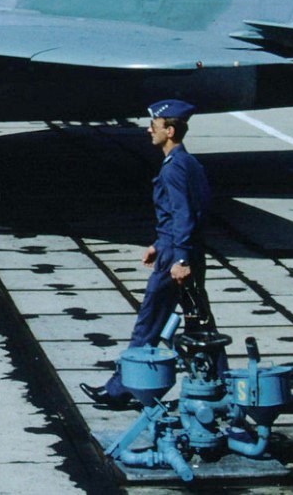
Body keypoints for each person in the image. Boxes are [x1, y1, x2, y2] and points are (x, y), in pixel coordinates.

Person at [81, 99, 216, 409]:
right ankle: (218, 384)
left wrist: (177, 256)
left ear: (169, 131)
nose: (148, 130)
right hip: (184, 251)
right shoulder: (189, 163)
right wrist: (161, 242)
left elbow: (184, 214)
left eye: (153, 127)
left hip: (177, 259)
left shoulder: (173, 169)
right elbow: (191, 211)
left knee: (149, 322)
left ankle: (120, 389)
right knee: (200, 324)